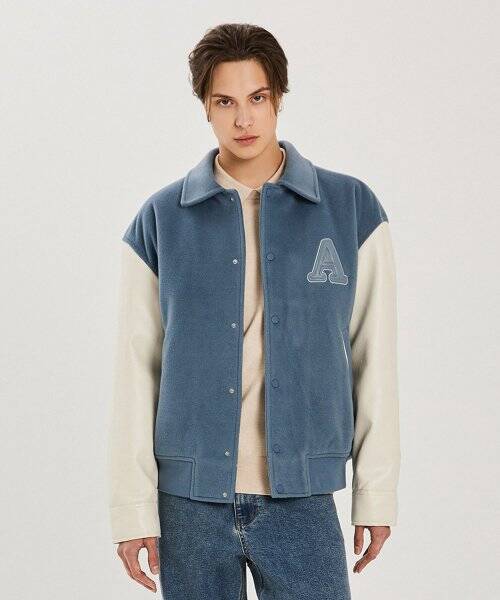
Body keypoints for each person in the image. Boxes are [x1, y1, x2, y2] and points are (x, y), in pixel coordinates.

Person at [108, 22, 400, 599]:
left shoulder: (350, 209)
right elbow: (135, 373)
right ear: (205, 106)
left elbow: (375, 359)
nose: (244, 119)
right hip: (190, 505)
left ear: (279, 98)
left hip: (303, 498)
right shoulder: (161, 220)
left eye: (257, 98)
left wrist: (376, 494)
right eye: (225, 102)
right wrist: (132, 509)